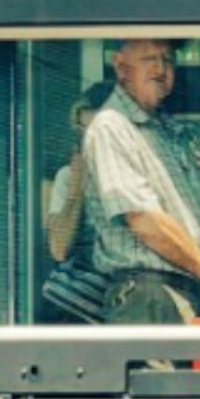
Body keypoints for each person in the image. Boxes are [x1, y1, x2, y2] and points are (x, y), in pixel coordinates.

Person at [82, 39, 200, 324]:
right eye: (149, 58)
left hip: (187, 294)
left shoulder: (172, 132)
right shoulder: (111, 125)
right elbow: (144, 220)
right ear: (120, 66)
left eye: (167, 59)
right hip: (148, 297)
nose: (160, 69)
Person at [42, 81, 115, 323]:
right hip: (69, 304)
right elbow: (59, 249)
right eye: (83, 133)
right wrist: (77, 187)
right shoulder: (68, 177)